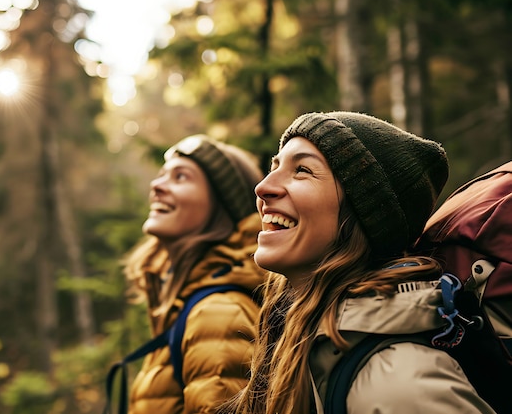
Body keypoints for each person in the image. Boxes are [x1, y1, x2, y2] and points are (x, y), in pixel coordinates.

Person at [225, 112, 495, 414]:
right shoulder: (298, 338)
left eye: (302, 170)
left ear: (364, 214)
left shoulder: (396, 382)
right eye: (274, 167)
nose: (262, 187)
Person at [124, 134, 267, 414]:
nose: (156, 186)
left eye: (180, 177)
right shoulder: (187, 306)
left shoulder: (219, 313)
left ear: (222, 206)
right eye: (162, 175)